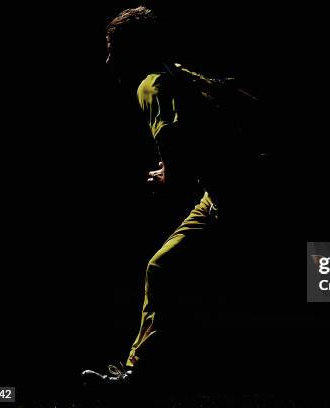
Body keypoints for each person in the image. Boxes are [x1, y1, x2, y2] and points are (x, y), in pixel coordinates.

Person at [81, 6, 263, 385]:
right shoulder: (181, 74)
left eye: (114, 47)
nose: (109, 58)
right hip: (226, 192)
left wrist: (166, 177)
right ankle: (141, 371)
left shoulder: (153, 86)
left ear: (133, 50)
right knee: (164, 270)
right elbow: (243, 102)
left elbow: (175, 151)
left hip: (237, 197)